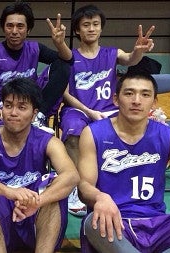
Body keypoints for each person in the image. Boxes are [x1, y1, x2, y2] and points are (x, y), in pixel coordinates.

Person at [0, 77, 79, 252]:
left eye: (22, 107)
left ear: (34, 113)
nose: (13, 112)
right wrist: (8, 191)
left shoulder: (47, 140)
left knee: (55, 187)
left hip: (32, 216)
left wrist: (37, 202)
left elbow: (71, 176)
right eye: (8, 105)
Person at [77, 72, 170, 253]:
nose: (137, 100)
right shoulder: (93, 133)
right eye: (129, 93)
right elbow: (84, 186)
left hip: (157, 224)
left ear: (154, 103)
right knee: (93, 224)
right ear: (116, 99)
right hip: (113, 222)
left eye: (145, 94)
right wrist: (100, 197)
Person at [60, 4, 155, 217]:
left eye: (95, 24)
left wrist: (138, 51)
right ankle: (77, 187)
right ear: (77, 30)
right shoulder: (70, 58)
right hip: (79, 109)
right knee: (74, 128)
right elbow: (66, 94)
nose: (91, 29)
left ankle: (121, 183)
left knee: (136, 128)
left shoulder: (112, 53)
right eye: (86, 25)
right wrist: (90, 112)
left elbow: (130, 59)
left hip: (109, 109)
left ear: (101, 28)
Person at [0, 1, 72, 133]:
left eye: (20, 26)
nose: (14, 31)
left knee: (63, 66)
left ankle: (39, 117)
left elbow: (68, 60)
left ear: (28, 29)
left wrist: (60, 44)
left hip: (31, 105)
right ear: (3, 28)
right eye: (9, 26)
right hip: (3, 106)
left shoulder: (35, 48)